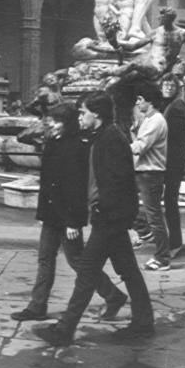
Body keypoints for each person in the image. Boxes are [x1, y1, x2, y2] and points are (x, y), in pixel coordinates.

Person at [33, 92, 154, 346]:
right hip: (111, 217)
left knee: (86, 272)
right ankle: (143, 322)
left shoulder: (111, 139)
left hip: (109, 218)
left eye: (83, 111)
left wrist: (113, 216)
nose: (80, 116)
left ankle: (65, 330)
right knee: (129, 271)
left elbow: (120, 183)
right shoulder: (104, 137)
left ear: (96, 114)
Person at [11, 103, 127, 322]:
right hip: (52, 214)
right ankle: (37, 306)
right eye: (51, 121)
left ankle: (113, 296)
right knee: (45, 258)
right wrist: (44, 213)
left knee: (78, 261)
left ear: (67, 124)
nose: (51, 125)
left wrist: (74, 222)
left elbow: (76, 187)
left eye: (56, 122)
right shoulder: (54, 142)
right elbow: (49, 182)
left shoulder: (77, 147)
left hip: (67, 217)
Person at [130, 83, 170, 271]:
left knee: (154, 216)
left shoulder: (156, 121)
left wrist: (117, 146)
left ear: (149, 101)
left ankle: (162, 258)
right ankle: (145, 233)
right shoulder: (148, 119)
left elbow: (140, 146)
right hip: (142, 171)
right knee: (125, 202)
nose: (137, 102)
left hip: (151, 173)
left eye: (140, 99)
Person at [160, 74, 185, 258]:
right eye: (165, 84)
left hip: (173, 160)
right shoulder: (165, 104)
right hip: (165, 158)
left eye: (171, 85)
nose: (168, 87)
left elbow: (173, 133)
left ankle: (175, 242)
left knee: (170, 201)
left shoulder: (178, 105)